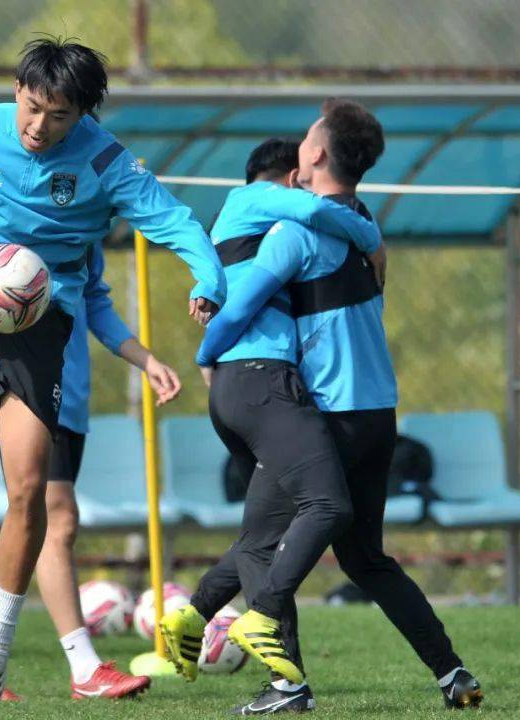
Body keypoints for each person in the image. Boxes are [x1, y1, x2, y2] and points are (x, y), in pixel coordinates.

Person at [0, 37, 225, 709]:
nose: (38, 126)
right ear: (16, 90)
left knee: (30, 494)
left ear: (82, 115)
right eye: (31, 107)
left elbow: (173, 220)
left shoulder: (104, 160)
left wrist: (208, 278)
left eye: (58, 116)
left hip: (40, 319)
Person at [174, 100, 483, 713]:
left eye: (308, 137)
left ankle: (279, 676)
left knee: (260, 541)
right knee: (366, 559)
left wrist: (206, 351)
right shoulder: (364, 225)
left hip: (330, 412)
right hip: (378, 412)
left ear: (314, 154)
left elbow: (243, 304)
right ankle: (453, 674)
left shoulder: (298, 232)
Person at [158, 137, 384, 715]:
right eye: (300, 177)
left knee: (262, 532)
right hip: (263, 381)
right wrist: (370, 235)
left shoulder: (239, 224)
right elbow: (317, 213)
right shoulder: (261, 198)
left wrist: (205, 298)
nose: (307, 186)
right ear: (286, 179)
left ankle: (195, 618)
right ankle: (269, 642)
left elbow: (220, 279)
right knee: (327, 506)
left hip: (239, 391)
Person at [0, 238, 180, 700]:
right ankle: (84, 666)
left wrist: (146, 359)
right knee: (58, 518)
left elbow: (96, 305)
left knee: (25, 530)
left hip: (71, 397)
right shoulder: (9, 223)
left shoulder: (86, 235)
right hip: (24, 388)